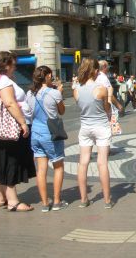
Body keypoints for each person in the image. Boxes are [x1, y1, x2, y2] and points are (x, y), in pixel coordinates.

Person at [0, 51, 36, 212]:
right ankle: (13, 201)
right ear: (6, 65)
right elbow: (9, 103)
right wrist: (23, 123)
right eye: (13, 65)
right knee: (11, 161)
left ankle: (1, 197)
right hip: (10, 128)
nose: (15, 67)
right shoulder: (4, 81)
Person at [26, 66, 67, 212]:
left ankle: (44, 203)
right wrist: (60, 93)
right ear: (48, 76)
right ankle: (56, 201)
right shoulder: (54, 93)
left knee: (41, 170)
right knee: (58, 166)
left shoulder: (30, 93)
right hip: (51, 133)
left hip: (35, 133)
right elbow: (61, 111)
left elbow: (29, 112)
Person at [73, 58, 113, 209]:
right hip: (101, 126)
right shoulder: (101, 88)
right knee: (102, 162)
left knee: (83, 162)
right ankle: (107, 200)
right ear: (96, 71)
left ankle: (84, 199)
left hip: (85, 128)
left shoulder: (77, 89)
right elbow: (107, 109)